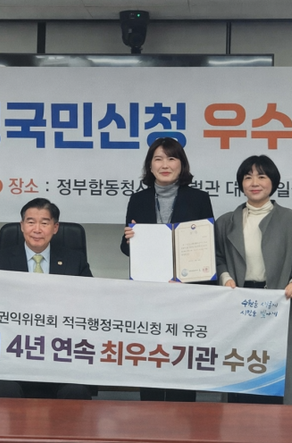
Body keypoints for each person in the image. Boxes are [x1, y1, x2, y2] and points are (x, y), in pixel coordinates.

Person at [214, 154, 292, 406]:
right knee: (241, 364)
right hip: (240, 303)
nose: (254, 183)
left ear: (273, 182)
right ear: (240, 184)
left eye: (261, 176)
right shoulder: (225, 222)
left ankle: (282, 423)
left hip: (281, 302)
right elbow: (217, 259)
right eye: (248, 177)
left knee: (281, 370)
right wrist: (225, 277)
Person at [120, 137, 214, 402]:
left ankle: (183, 412)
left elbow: (205, 246)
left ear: (181, 164)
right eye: (158, 159)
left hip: (186, 292)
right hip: (149, 293)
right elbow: (127, 249)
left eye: (171, 158)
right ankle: (148, 413)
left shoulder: (198, 198)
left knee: (181, 356)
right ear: (150, 166)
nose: (165, 165)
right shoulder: (137, 200)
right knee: (151, 355)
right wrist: (129, 239)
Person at [0, 197, 93, 399]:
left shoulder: (75, 261)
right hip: (13, 352)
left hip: (61, 353)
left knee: (75, 391)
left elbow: (90, 303)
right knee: (5, 391)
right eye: (31, 222)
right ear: (22, 226)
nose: (37, 229)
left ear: (55, 227)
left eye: (44, 223)